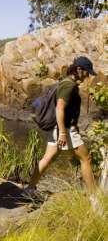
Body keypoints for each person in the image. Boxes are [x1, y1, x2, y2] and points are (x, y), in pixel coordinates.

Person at [25, 56, 97, 195]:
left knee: (48, 158)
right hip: (64, 128)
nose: (87, 76)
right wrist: (63, 133)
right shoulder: (69, 85)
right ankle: (94, 198)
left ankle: (29, 189)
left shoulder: (65, 82)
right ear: (79, 70)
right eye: (87, 72)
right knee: (85, 159)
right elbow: (59, 108)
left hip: (56, 128)